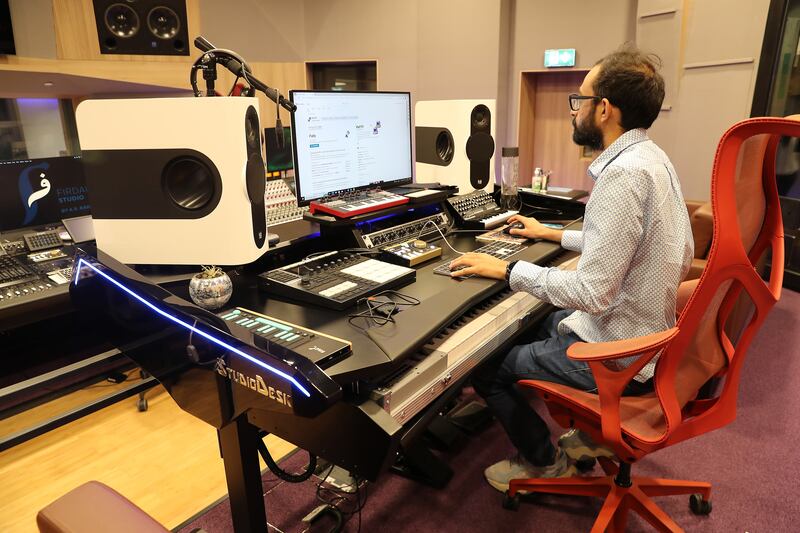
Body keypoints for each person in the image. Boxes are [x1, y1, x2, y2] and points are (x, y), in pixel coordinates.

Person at [448, 44, 694, 492]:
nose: (573, 111)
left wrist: (505, 270)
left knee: (488, 368)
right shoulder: (654, 160)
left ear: (604, 109)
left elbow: (593, 293)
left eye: (579, 100)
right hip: (642, 339)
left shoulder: (623, 175)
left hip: (618, 356)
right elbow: (654, 245)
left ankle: (544, 460)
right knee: (533, 327)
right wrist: (551, 235)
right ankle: (582, 429)